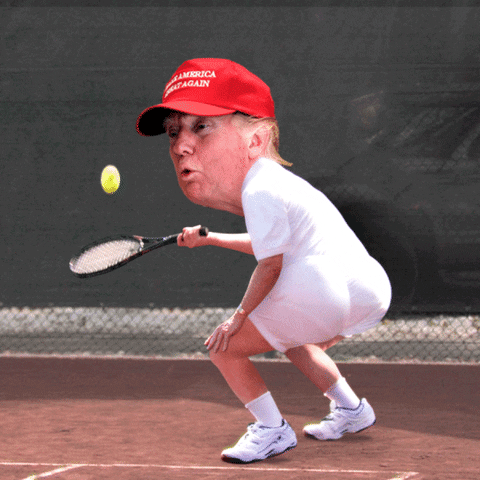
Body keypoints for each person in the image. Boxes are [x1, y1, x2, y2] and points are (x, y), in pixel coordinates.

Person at [136, 58, 392, 464]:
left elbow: (271, 265)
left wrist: (237, 319)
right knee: (295, 340)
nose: (181, 145)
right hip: (369, 288)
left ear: (255, 140)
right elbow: (276, 247)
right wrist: (211, 239)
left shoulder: (257, 190)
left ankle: (272, 430)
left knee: (224, 348)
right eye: (173, 132)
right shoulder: (276, 182)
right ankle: (351, 409)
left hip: (321, 287)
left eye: (201, 126)